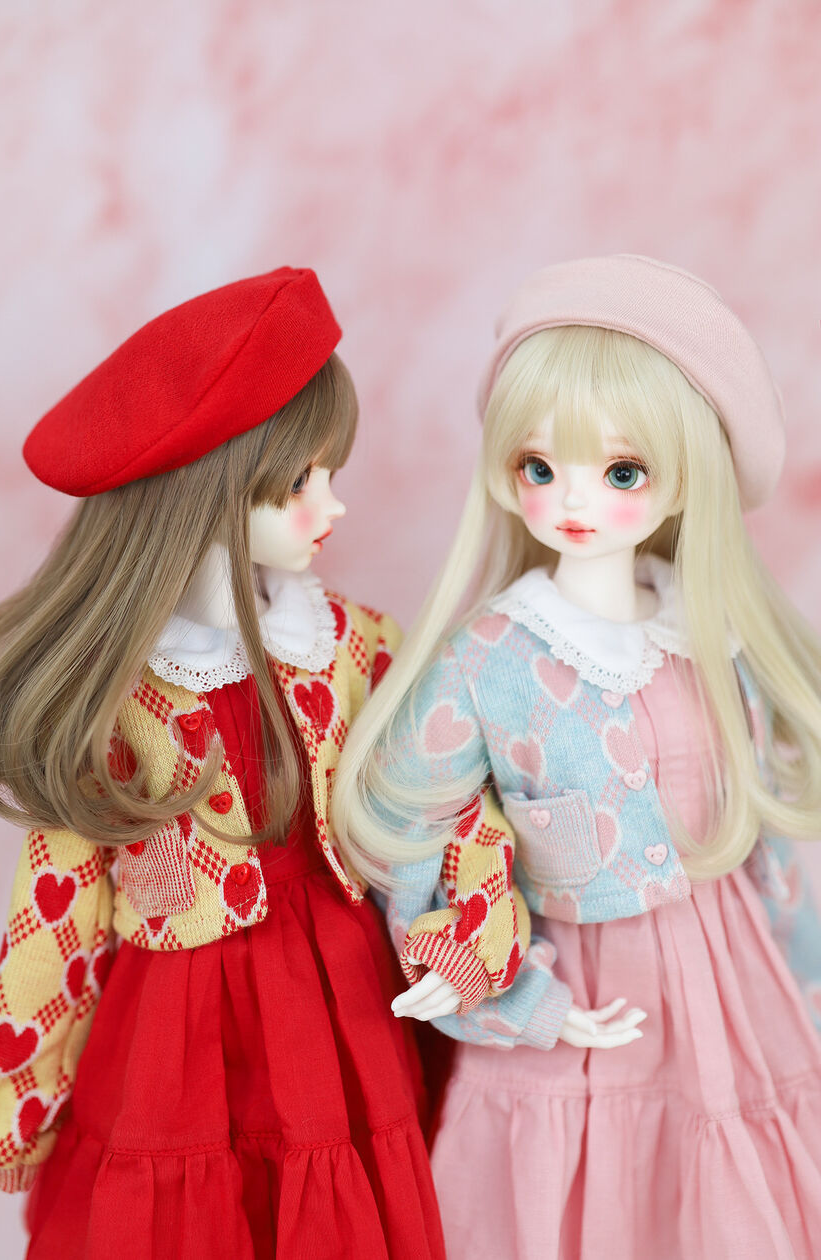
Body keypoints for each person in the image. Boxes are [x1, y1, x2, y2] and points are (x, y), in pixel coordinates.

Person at [333, 256, 821, 1259]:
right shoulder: (491, 658)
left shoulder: (711, 635)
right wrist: (505, 991)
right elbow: (412, 829)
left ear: (685, 476)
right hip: (583, 997)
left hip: (734, 994)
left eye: (622, 472)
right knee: (588, 1204)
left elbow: (768, 844)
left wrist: (803, 971)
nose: (573, 501)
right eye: (540, 467)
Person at [0, 268, 453, 1259]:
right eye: (300, 482)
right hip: (176, 1042)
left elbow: (439, 800)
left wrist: (470, 931)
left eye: (330, 474)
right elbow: (59, 908)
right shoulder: (117, 700)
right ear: (206, 494)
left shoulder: (352, 646)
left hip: (343, 1013)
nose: (334, 505)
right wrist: (20, 1096)